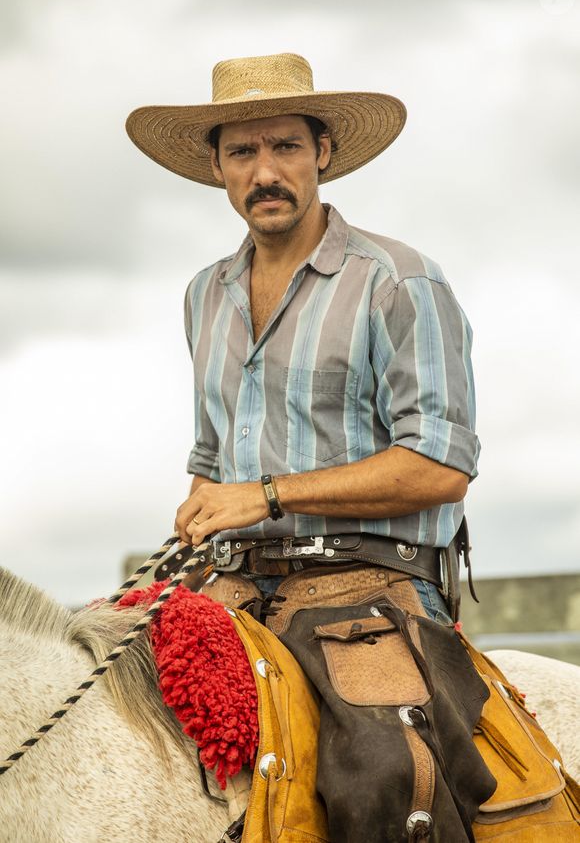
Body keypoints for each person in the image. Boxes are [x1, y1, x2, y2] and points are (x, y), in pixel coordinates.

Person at [126, 53, 494, 842]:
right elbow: (211, 456)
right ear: (217, 167)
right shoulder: (204, 294)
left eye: (285, 146)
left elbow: (441, 465)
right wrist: (199, 513)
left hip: (370, 583)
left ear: (322, 151)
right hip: (232, 584)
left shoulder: (400, 282)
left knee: (386, 772)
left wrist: (264, 495)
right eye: (242, 152)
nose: (265, 172)